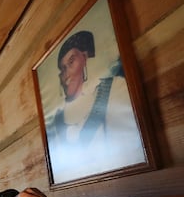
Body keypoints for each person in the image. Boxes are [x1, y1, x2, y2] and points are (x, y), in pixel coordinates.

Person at [45, 30, 145, 183]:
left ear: (85, 58)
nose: (66, 75)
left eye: (71, 62)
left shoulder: (112, 90)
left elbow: (132, 153)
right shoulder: (58, 118)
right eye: (63, 68)